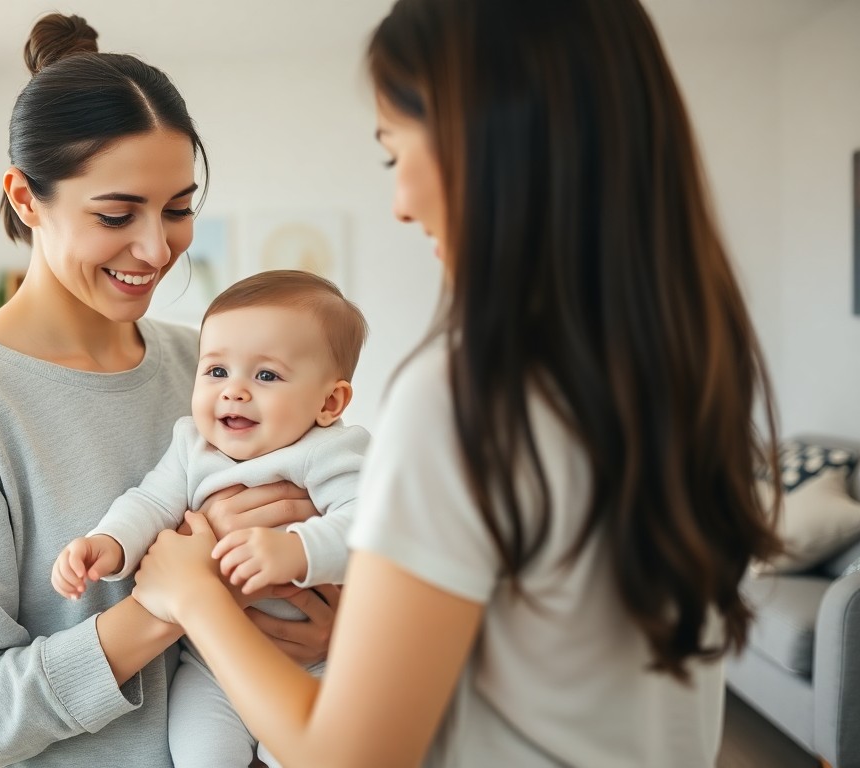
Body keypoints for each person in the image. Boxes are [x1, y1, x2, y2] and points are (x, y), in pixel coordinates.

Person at [131, 0, 784, 766]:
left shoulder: (468, 396)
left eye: (396, 152)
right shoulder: (684, 368)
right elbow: (549, 652)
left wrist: (197, 599)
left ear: (496, 143)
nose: (401, 202)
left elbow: (350, 757)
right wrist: (360, 640)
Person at [0, 13, 339, 768]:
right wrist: (163, 605)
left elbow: (324, 553)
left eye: (179, 208)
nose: (157, 249)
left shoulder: (208, 367)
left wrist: (325, 631)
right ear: (27, 201)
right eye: (116, 214)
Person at [52, 270, 370, 768]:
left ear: (330, 402)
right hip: (208, 666)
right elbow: (150, 503)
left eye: (266, 376)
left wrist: (297, 550)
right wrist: (108, 542)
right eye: (216, 371)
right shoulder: (192, 444)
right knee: (202, 756)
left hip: (317, 668)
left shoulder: (330, 452)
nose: (234, 392)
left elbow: (368, 528)